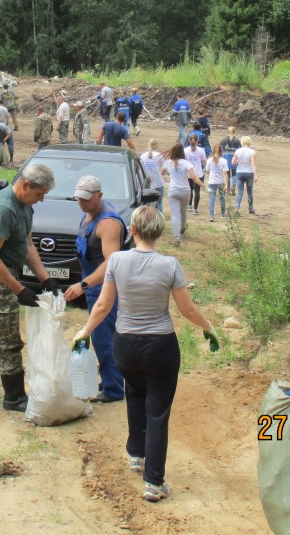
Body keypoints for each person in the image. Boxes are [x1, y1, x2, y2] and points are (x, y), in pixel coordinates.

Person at [72, 206, 220, 502]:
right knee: (158, 411)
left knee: (135, 393)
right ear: (158, 233)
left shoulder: (116, 261)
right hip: (160, 346)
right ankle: (154, 482)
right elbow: (186, 308)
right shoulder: (170, 265)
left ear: (134, 231)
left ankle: (136, 454)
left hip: (125, 344)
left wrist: (84, 332)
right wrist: (208, 327)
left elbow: (102, 305)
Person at [0, 164, 60, 411]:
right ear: (25, 185)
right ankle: (14, 397)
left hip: (5, 270)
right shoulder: (3, 209)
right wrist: (18, 289)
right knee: (7, 336)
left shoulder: (25, 206)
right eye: (39, 194)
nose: (41, 200)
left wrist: (45, 278)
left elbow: (27, 243)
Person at [62, 176, 128, 403]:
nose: (81, 203)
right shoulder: (88, 213)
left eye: (86, 200)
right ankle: (111, 379)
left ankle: (114, 389)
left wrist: (83, 285)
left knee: (104, 338)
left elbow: (111, 262)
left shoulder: (108, 223)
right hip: (92, 283)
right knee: (101, 337)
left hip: (104, 287)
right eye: (78, 199)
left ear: (99, 195)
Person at [162, 142, 204, 246]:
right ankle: (183, 226)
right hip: (185, 190)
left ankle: (177, 238)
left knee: (174, 214)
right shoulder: (186, 163)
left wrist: (168, 174)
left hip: (173, 190)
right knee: (183, 212)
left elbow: (162, 172)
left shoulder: (168, 162)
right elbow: (194, 177)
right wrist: (204, 186)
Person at [232, 136, 257, 214]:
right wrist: (256, 175)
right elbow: (254, 164)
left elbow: (233, 162)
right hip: (249, 173)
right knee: (249, 191)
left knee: (240, 192)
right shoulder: (252, 152)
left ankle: (237, 207)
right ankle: (250, 208)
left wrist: (239, 160)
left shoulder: (238, 151)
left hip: (240, 172)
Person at [139, 139, 165, 213]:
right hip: (158, 182)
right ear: (157, 145)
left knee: (146, 203)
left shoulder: (143, 155)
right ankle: (160, 218)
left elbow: (140, 169)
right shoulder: (159, 156)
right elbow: (164, 170)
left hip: (147, 183)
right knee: (159, 203)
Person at [184, 134, 206, 216]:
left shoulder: (185, 150)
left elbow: (183, 161)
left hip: (188, 173)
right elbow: (204, 161)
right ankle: (195, 209)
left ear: (189, 141)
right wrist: (204, 168)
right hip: (198, 174)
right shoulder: (201, 150)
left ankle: (189, 205)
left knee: (189, 190)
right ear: (197, 141)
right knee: (197, 191)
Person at [219, 127, 241, 195]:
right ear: (234, 132)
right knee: (234, 173)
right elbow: (239, 150)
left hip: (225, 159)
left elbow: (220, 149)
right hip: (234, 159)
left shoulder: (223, 140)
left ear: (228, 131)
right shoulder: (237, 141)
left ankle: (227, 189)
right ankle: (233, 187)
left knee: (227, 174)